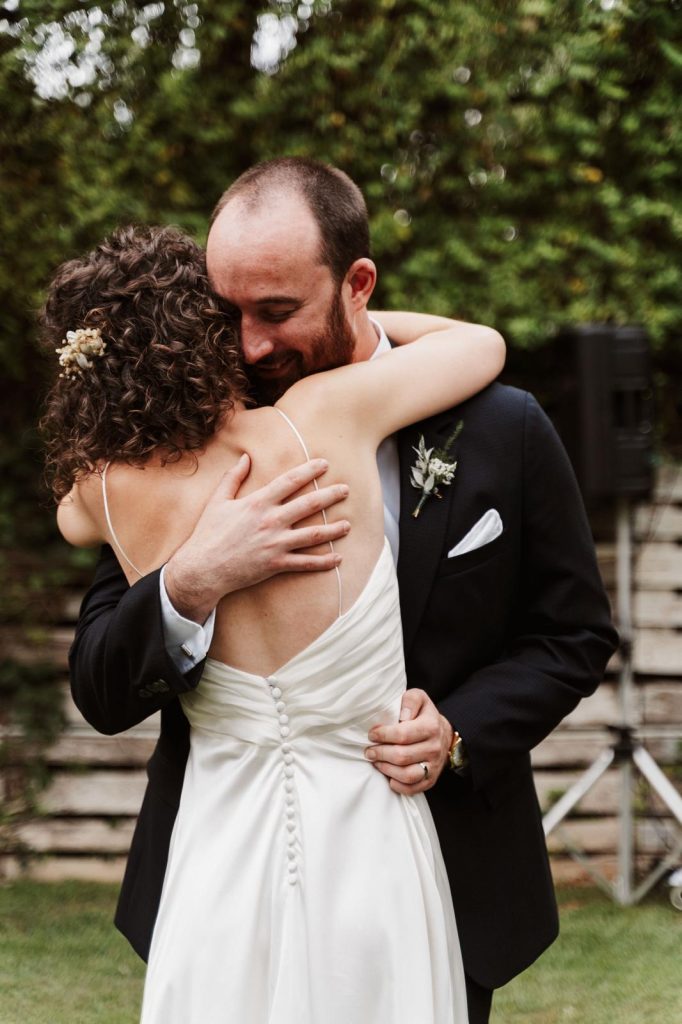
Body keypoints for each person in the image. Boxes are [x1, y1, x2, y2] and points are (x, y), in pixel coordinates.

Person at [61, 159, 618, 1024]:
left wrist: (459, 732)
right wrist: (194, 578)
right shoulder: (180, 440)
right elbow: (100, 685)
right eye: (225, 313)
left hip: (436, 870)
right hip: (219, 873)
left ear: (357, 285)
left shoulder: (506, 429)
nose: (247, 348)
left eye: (277, 312)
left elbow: (572, 635)